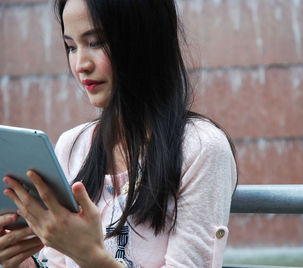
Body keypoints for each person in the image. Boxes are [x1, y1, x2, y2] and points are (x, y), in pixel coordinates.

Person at [0, 0, 237, 267]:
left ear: (144, 38)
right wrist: (16, 261)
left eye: (96, 42)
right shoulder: (71, 146)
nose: (80, 65)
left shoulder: (201, 148)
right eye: (71, 46)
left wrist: (88, 255)